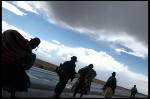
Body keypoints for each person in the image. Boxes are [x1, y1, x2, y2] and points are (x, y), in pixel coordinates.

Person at [2, 29, 40, 98]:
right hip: (9, 66)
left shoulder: (21, 42)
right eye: (35, 46)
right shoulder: (28, 52)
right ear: (35, 46)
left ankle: (12, 95)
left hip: (5, 61)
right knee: (16, 81)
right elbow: (26, 66)